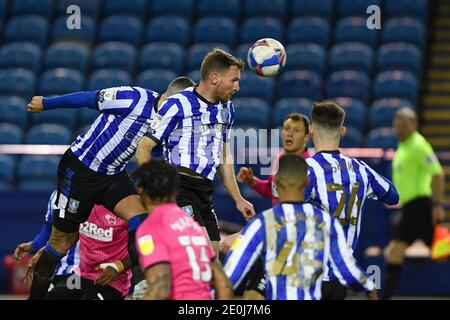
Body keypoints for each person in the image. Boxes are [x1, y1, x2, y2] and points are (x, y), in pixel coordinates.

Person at [25, 77, 195, 299]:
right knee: (60, 245)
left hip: (112, 175)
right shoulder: (133, 98)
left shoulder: (169, 124)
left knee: (142, 221)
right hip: (79, 169)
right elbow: (88, 98)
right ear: (174, 98)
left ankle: (144, 283)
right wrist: (46, 103)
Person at [136, 48, 256, 255]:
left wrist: (238, 198)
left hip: (205, 192)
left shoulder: (227, 110)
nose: (237, 87)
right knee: (198, 254)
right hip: (179, 187)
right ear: (214, 78)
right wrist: (157, 189)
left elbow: (223, 156)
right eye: (234, 80)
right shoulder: (177, 105)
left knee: (212, 258)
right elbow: (143, 147)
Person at [223, 154, 378, 300]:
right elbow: (347, 268)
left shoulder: (263, 223)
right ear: (307, 182)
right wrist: (370, 290)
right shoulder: (329, 223)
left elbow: (231, 274)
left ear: (275, 182)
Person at [305, 100, 399, 300]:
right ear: (343, 131)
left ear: (311, 131)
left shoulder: (305, 169)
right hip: (341, 277)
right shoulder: (361, 170)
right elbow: (392, 196)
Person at [134, 159, 233, 300]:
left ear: (141, 191)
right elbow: (224, 285)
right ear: (175, 191)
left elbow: (160, 290)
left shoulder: (150, 228)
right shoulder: (193, 225)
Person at [19, 191, 132, 300]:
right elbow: (72, 235)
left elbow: (140, 251)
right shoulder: (82, 203)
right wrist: (46, 252)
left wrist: (118, 267)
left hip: (111, 281)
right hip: (80, 277)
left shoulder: (124, 208)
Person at [381, 107, 445, 300]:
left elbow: (437, 174)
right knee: (395, 251)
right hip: (408, 209)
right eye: (397, 124)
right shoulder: (403, 147)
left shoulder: (419, 145)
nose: (399, 128)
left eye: (404, 124)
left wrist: (437, 204)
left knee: (442, 249)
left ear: (414, 125)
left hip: (421, 206)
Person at [236, 112, 311, 205]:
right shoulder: (279, 158)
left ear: (306, 137)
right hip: (279, 217)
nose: (290, 134)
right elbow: (273, 192)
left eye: (296, 130)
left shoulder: (312, 164)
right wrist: (252, 181)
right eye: (287, 128)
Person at [14, 191, 80, 292]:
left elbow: (78, 235)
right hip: (54, 267)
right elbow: (49, 228)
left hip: (78, 270)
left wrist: (42, 252)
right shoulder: (56, 195)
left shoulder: (92, 196)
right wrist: (33, 245)